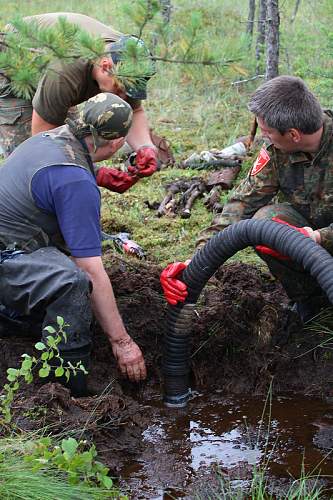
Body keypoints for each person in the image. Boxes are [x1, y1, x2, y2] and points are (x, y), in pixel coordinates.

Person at [0, 92, 147, 397]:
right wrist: (122, 342)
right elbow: (90, 271)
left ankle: (18, 316)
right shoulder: (75, 180)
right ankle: (67, 390)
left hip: (12, 239)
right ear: (118, 142)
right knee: (71, 284)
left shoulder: (52, 137)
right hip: (7, 254)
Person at [160, 76, 333, 322]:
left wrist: (317, 237)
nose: (264, 138)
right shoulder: (278, 152)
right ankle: (314, 301)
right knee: (268, 221)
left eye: (267, 132)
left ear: (293, 134)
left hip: (323, 237)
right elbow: (242, 204)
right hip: (311, 241)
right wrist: (198, 260)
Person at [0, 12, 158, 186]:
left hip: (51, 69)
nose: (122, 97)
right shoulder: (64, 73)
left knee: (74, 142)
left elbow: (134, 110)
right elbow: (42, 142)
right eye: (120, 89)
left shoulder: (126, 59)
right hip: (13, 63)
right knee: (31, 163)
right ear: (105, 67)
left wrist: (146, 147)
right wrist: (96, 173)